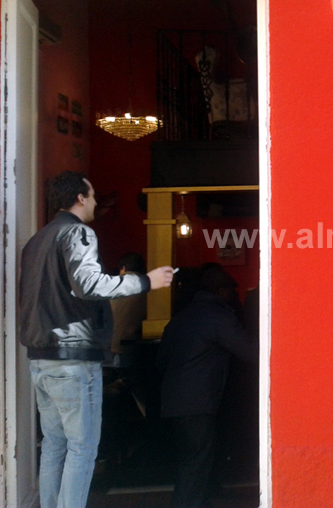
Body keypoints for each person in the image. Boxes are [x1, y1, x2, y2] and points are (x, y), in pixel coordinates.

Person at [18, 171, 174, 508]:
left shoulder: (36, 241)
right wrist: (146, 281)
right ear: (79, 198)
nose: (94, 202)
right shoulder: (77, 232)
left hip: (41, 356)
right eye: (92, 196)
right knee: (83, 447)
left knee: (55, 445)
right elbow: (88, 284)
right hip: (72, 358)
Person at [157, 265, 255, 508]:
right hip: (197, 402)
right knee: (196, 462)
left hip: (173, 401)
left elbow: (161, 360)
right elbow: (250, 351)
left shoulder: (182, 317)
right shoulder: (217, 317)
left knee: (191, 459)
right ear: (221, 291)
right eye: (231, 290)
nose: (234, 295)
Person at [109, 252, 148, 368]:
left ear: (123, 268)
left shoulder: (111, 285)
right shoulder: (148, 288)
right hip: (134, 348)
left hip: (110, 348)